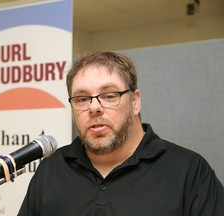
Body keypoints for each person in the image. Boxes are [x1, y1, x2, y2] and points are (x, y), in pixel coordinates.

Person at [18, 51, 224, 216]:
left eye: (109, 96)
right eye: (82, 99)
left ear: (135, 102)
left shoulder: (189, 171)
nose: (94, 107)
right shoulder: (51, 169)